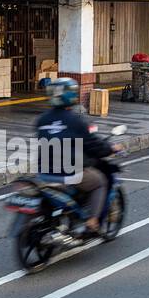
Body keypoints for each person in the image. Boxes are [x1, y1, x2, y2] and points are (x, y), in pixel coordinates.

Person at [33, 79, 117, 236]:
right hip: (68, 172)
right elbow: (93, 144)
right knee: (99, 182)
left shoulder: (42, 119)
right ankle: (92, 221)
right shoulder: (75, 120)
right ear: (71, 95)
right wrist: (110, 148)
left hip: (44, 171)